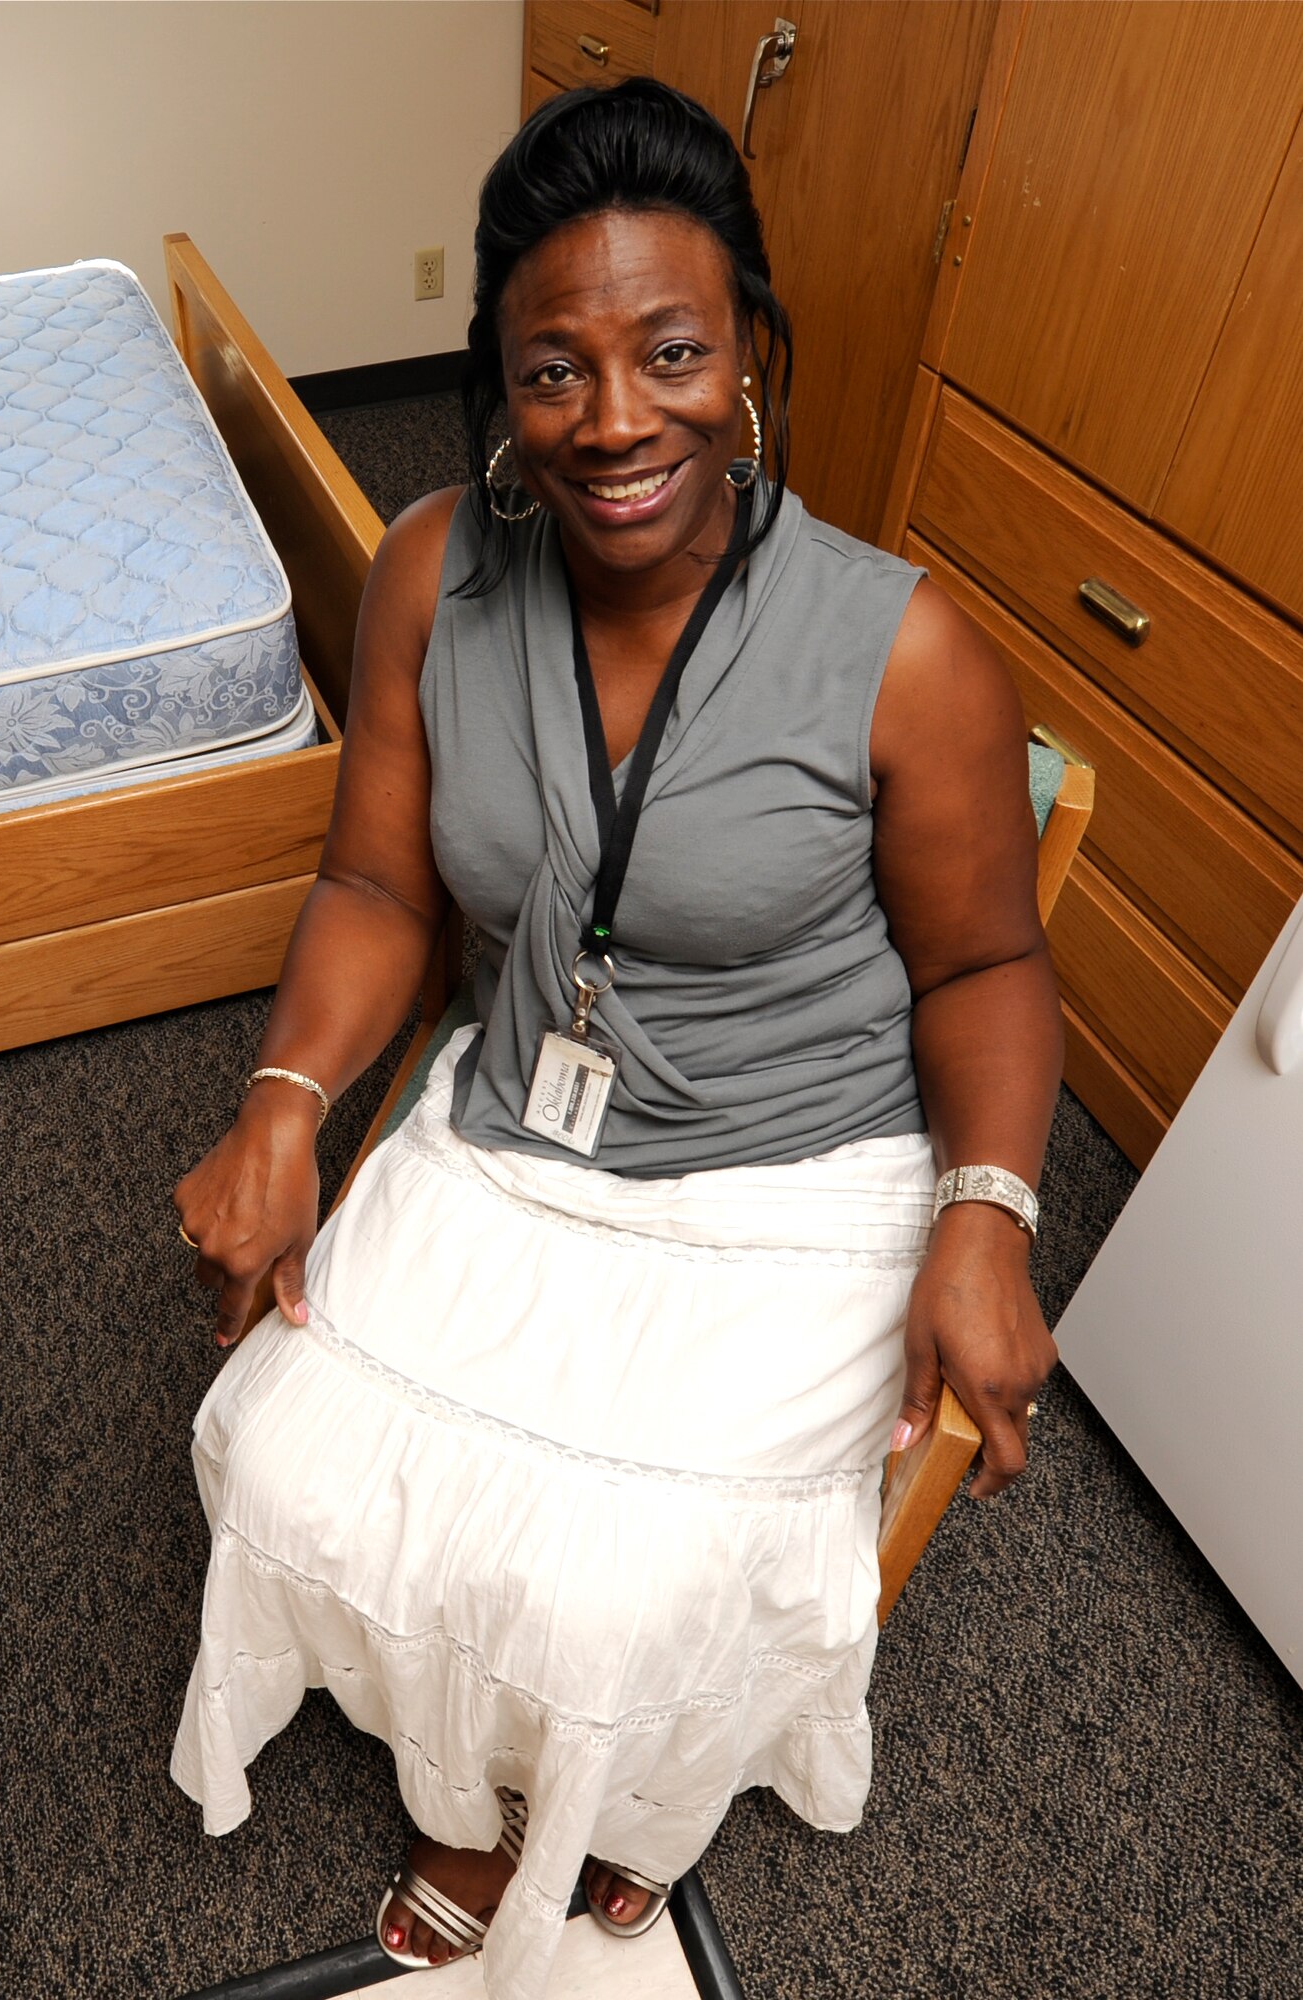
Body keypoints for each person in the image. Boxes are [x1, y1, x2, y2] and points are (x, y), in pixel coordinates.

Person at [169, 79, 1060, 2000]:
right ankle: (480, 1797)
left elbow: (987, 968)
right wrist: (285, 1103)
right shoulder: (431, 571)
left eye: (668, 352)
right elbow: (381, 894)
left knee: (621, 1588)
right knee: (286, 1464)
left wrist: (986, 1211)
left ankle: (622, 1816)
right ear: (498, 384)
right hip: (522, 1118)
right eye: (551, 368)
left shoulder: (903, 651)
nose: (613, 419)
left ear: (744, 350)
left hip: (791, 1163)